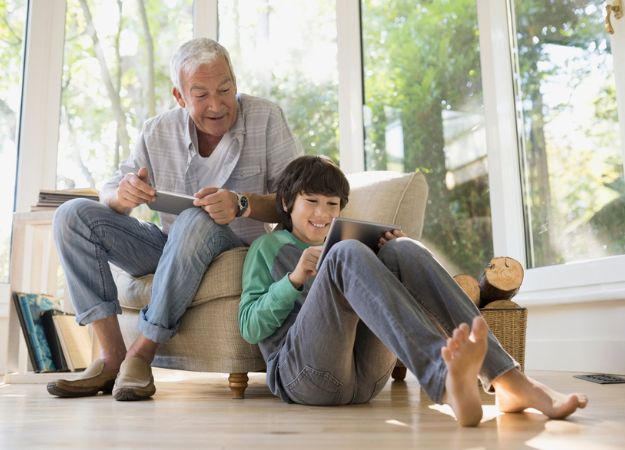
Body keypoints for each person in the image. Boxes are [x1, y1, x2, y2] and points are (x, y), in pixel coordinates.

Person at [238, 155, 588, 426]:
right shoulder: (267, 249)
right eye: (311, 201)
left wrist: (393, 257)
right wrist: (294, 279)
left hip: (366, 382)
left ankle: (508, 380)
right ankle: (444, 379)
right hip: (303, 378)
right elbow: (250, 327)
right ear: (287, 202)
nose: (322, 213)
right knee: (345, 253)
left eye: (332, 205)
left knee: (402, 249)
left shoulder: (345, 239)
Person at [48, 38, 302, 401]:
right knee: (71, 214)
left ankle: (142, 352)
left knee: (195, 219)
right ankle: (111, 358)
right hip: (172, 248)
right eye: (200, 95)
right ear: (180, 97)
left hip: (236, 251)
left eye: (225, 89)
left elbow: (292, 201)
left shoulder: (266, 117)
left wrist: (242, 204)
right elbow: (111, 186)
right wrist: (120, 196)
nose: (217, 105)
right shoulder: (157, 131)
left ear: (235, 82)